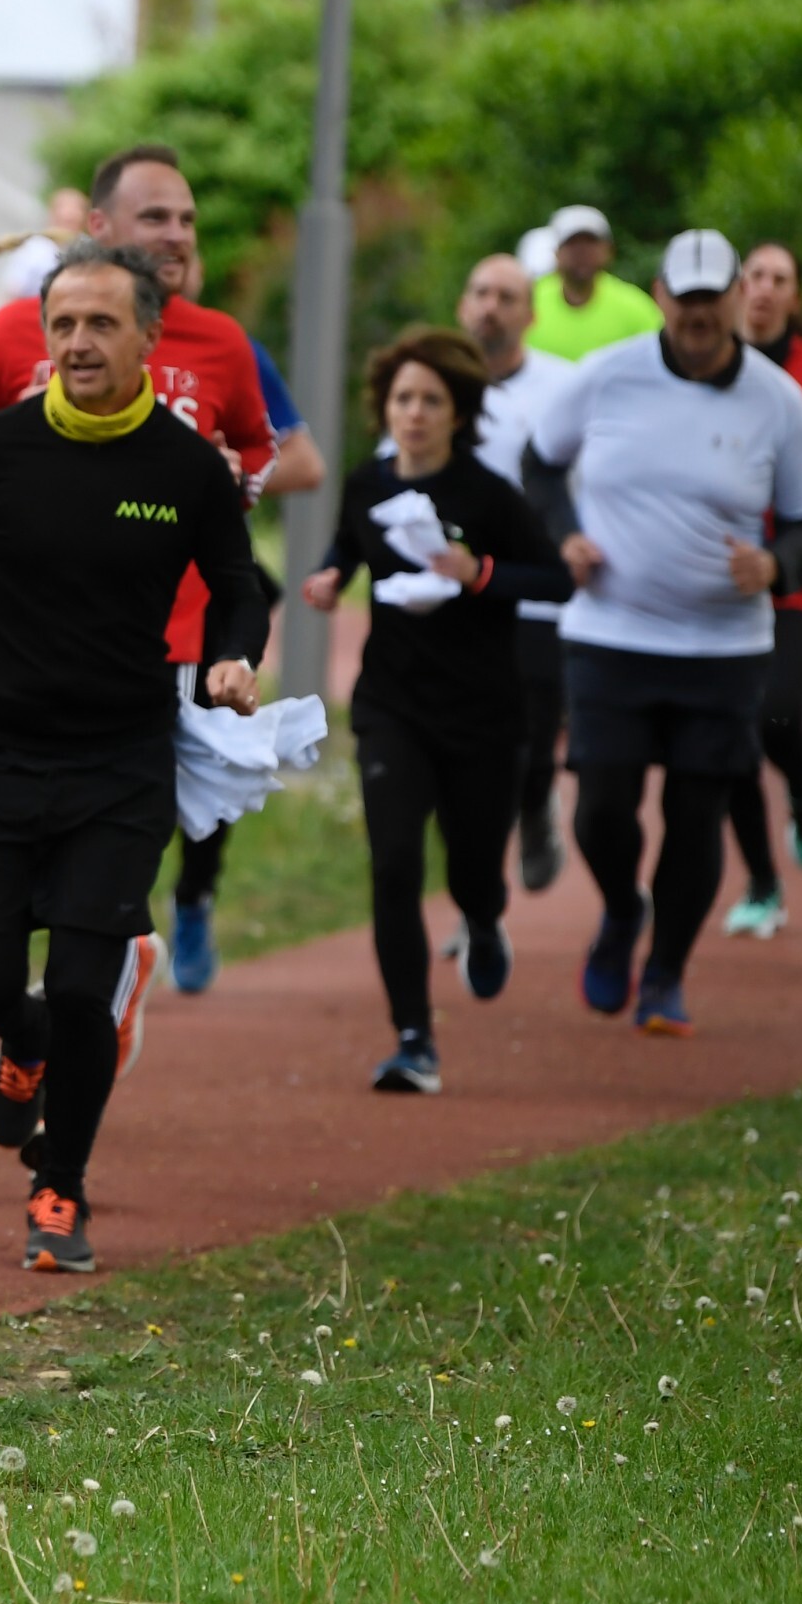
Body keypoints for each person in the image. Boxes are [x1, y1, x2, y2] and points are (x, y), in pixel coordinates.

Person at [0, 238, 265, 1275]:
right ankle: (21, 1042)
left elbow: (238, 584)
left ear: (149, 336)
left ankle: (60, 1186)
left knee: (87, 989)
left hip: (119, 761)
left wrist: (233, 656)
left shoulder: (186, 466)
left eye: (101, 323)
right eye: (62, 324)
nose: (78, 341)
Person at [0, 142, 294, 1017]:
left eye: (187, 219)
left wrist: (231, 476)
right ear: (99, 226)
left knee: (128, 874)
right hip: (28, 648)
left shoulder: (224, 340)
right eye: (156, 217)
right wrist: (19, 488)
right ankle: (72, 1002)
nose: (177, 234)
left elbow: (265, 455)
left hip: (173, 642)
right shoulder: (20, 331)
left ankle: (158, 931)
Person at [521, 229, 802, 1036]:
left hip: (723, 648)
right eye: (684, 298)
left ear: (736, 298)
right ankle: (624, 908)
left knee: (696, 815)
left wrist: (776, 565)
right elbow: (541, 464)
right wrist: (565, 535)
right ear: (660, 296)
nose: (697, 314)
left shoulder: (778, 400)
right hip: (609, 634)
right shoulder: (606, 375)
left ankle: (665, 973)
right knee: (601, 809)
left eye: (711, 298)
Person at [300, 328, 572, 1093]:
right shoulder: (367, 482)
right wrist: (329, 577)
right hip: (392, 705)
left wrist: (478, 572)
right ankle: (413, 1037)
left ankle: (483, 918)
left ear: (459, 413)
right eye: (402, 399)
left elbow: (555, 581)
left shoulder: (489, 495)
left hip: (483, 711)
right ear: (384, 408)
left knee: (473, 869)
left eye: (430, 400)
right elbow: (347, 547)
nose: (414, 413)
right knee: (393, 864)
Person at [723, 240, 802, 937]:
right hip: (723, 567)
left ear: (795, 297)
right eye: (755, 276)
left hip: (800, 568)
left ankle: (801, 787)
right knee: (729, 734)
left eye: (779, 279)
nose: (765, 289)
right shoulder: (711, 365)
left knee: (774, 715)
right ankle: (763, 884)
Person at [452, 253, 581, 892]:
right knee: (469, 750)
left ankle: (536, 804)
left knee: (529, 745)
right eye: (480, 293)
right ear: (462, 306)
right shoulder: (434, 382)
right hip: (455, 592)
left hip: (536, 595)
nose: (490, 308)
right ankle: (476, 898)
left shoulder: (566, 387)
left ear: (530, 314)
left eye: (506, 297)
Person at [529, 206, 664, 363]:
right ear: (556, 253)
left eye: (590, 242)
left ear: (609, 251)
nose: (582, 252)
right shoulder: (529, 302)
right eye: (572, 243)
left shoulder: (636, 308)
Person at [0, 188, 89, 301]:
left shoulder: (88, 253)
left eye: (73, 222)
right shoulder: (31, 251)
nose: (67, 228)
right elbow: (12, 291)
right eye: (65, 221)